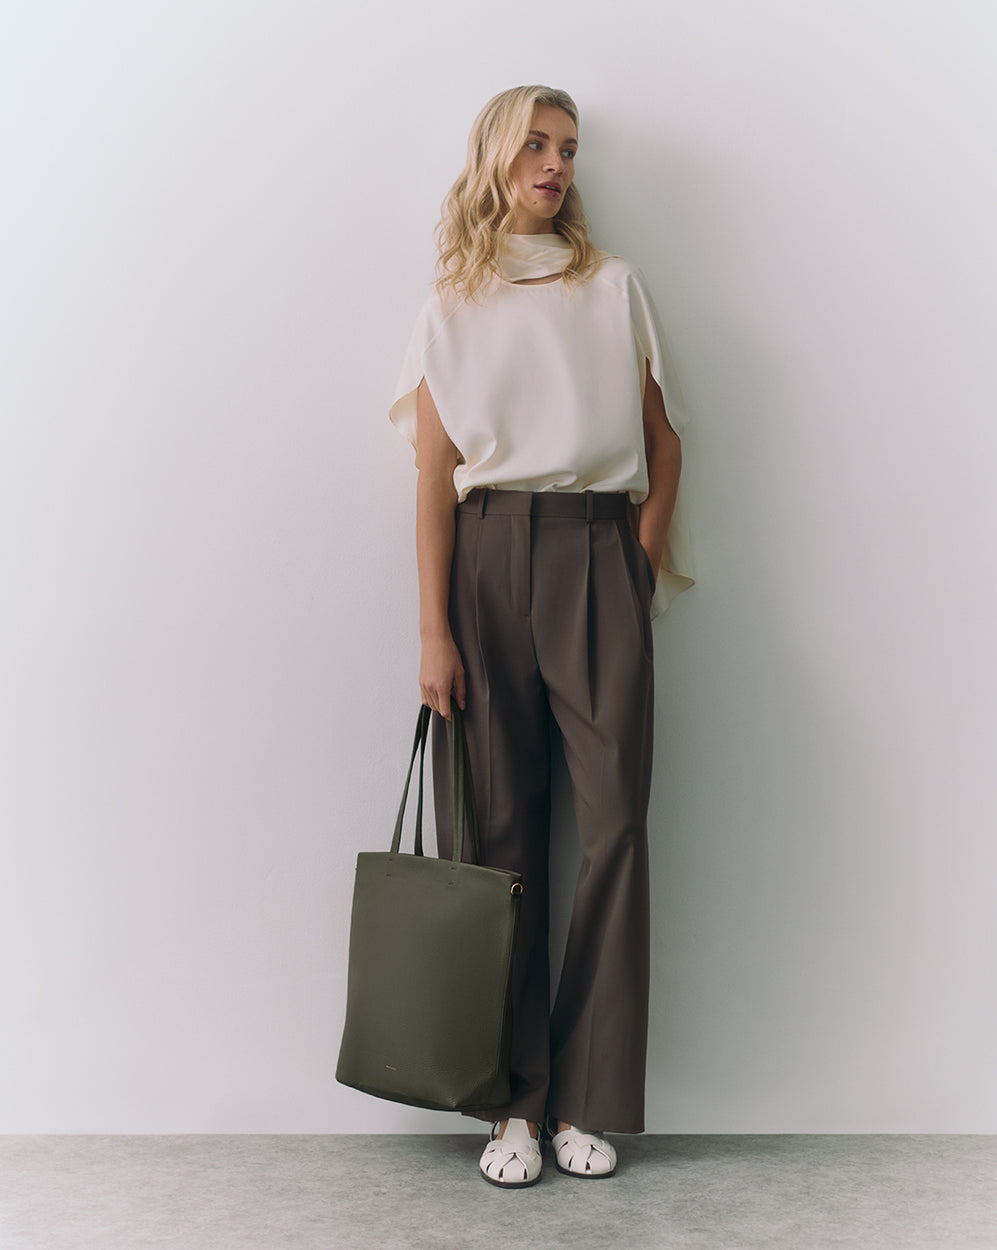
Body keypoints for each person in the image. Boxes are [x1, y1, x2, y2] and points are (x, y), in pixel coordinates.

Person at [388, 85, 694, 1187]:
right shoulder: (450, 303)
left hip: (594, 549)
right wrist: (434, 630)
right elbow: (430, 483)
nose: (556, 163)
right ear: (496, 154)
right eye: (537, 142)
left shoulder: (611, 287)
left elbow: (666, 447)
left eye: (568, 149)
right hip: (484, 555)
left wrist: (635, 565)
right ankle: (512, 1105)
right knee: (500, 841)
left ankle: (588, 1100)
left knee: (614, 826)